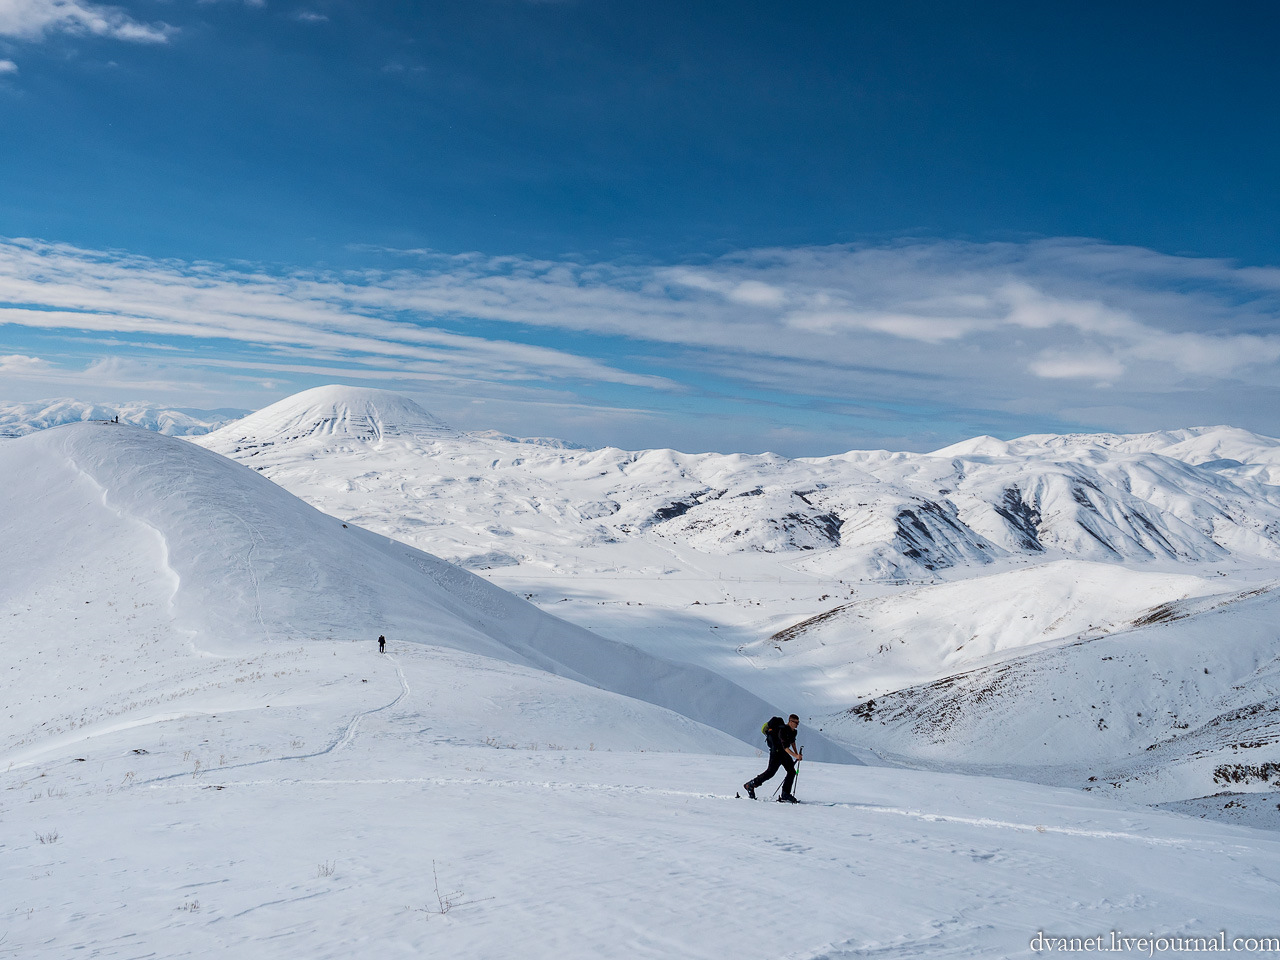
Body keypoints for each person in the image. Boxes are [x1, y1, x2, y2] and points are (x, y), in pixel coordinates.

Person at [744, 714, 802, 802]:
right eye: (795, 722)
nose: (797, 725)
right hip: (776, 753)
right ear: (790, 722)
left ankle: (785, 794)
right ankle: (750, 785)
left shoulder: (793, 731)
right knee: (770, 773)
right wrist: (795, 755)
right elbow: (786, 747)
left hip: (783, 753)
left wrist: (797, 754)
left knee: (792, 772)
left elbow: (793, 742)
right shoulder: (782, 730)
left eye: (798, 722)